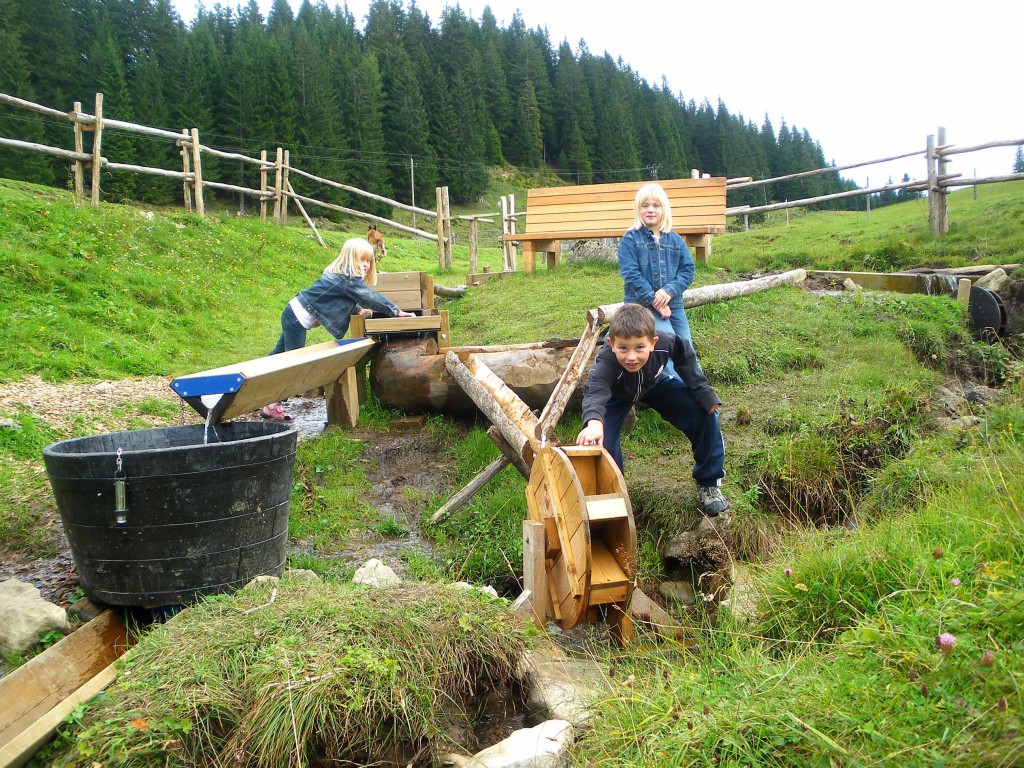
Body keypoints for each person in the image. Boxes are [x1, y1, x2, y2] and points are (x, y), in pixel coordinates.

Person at [575, 303, 729, 517]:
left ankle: (709, 484)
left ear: (653, 342)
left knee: (703, 412)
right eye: (623, 348)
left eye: (639, 348)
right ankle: (613, 497)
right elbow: (596, 389)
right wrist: (593, 422)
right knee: (602, 446)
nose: (631, 357)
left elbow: (684, 356)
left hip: (654, 383)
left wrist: (704, 393)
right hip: (616, 397)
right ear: (611, 344)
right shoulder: (606, 362)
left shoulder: (666, 342)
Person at [260, 237, 414, 421]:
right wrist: (395, 311)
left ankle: (257, 387)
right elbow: (369, 296)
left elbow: (337, 299)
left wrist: (358, 310)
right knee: (294, 364)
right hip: (295, 318)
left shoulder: (342, 280)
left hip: (292, 313)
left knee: (279, 355)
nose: (366, 265)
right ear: (350, 259)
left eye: (369, 261)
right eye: (362, 260)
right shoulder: (347, 280)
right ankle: (270, 402)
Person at [618, 182, 695, 344]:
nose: (650, 210)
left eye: (656, 206)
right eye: (645, 206)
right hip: (642, 307)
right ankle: (668, 371)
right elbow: (630, 274)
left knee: (687, 350)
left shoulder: (676, 241)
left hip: (674, 305)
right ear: (638, 209)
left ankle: (693, 371)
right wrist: (654, 300)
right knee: (666, 345)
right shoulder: (630, 239)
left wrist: (669, 291)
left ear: (664, 209)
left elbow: (687, 270)